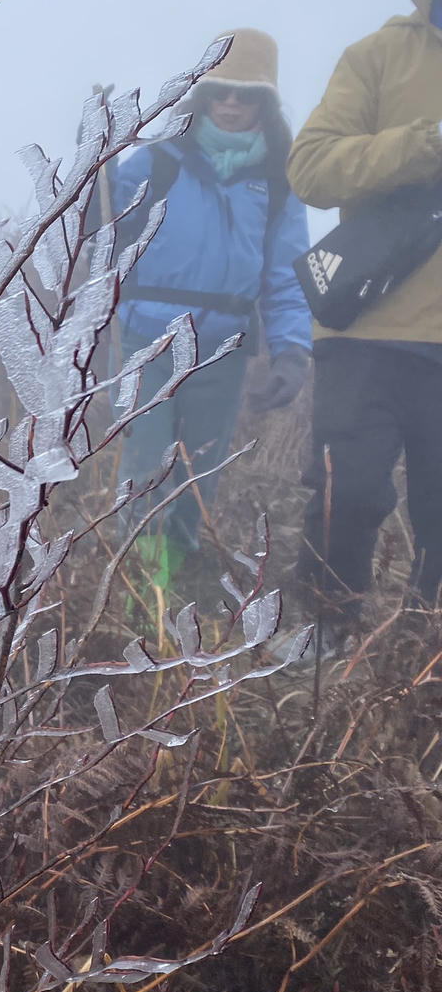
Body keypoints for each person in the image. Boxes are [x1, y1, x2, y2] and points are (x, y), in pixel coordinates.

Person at [108, 29, 312, 591]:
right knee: (148, 468)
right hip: (143, 341)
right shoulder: (153, 164)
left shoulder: (277, 182)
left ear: (264, 103)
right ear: (201, 94)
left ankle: (174, 586)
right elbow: (98, 239)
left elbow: (287, 279)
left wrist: (292, 350)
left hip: (223, 349)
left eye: (244, 93)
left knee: (198, 474)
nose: (229, 102)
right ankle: (141, 600)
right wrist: (90, 183)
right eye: (218, 89)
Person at [287, 0, 442, 632]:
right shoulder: (376, 57)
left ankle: (425, 667)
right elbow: (311, 170)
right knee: (345, 499)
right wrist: (426, 144)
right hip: (367, 331)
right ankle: (324, 635)